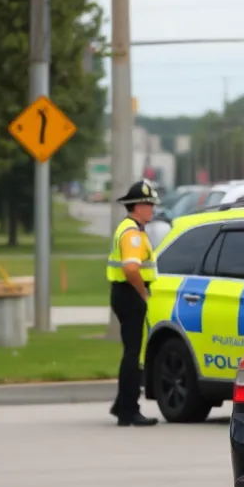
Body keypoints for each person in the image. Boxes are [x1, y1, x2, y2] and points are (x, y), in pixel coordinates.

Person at [106, 180, 160, 426]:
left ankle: (122, 405)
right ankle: (128, 410)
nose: (152, 209)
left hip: (124, 294)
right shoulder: (132, 234)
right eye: (149, 204)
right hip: (130, 294)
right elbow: (130, 268)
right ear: (138, 206)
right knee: (133, 354)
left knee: (131, 351)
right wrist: (143, 293)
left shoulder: (131, 228)